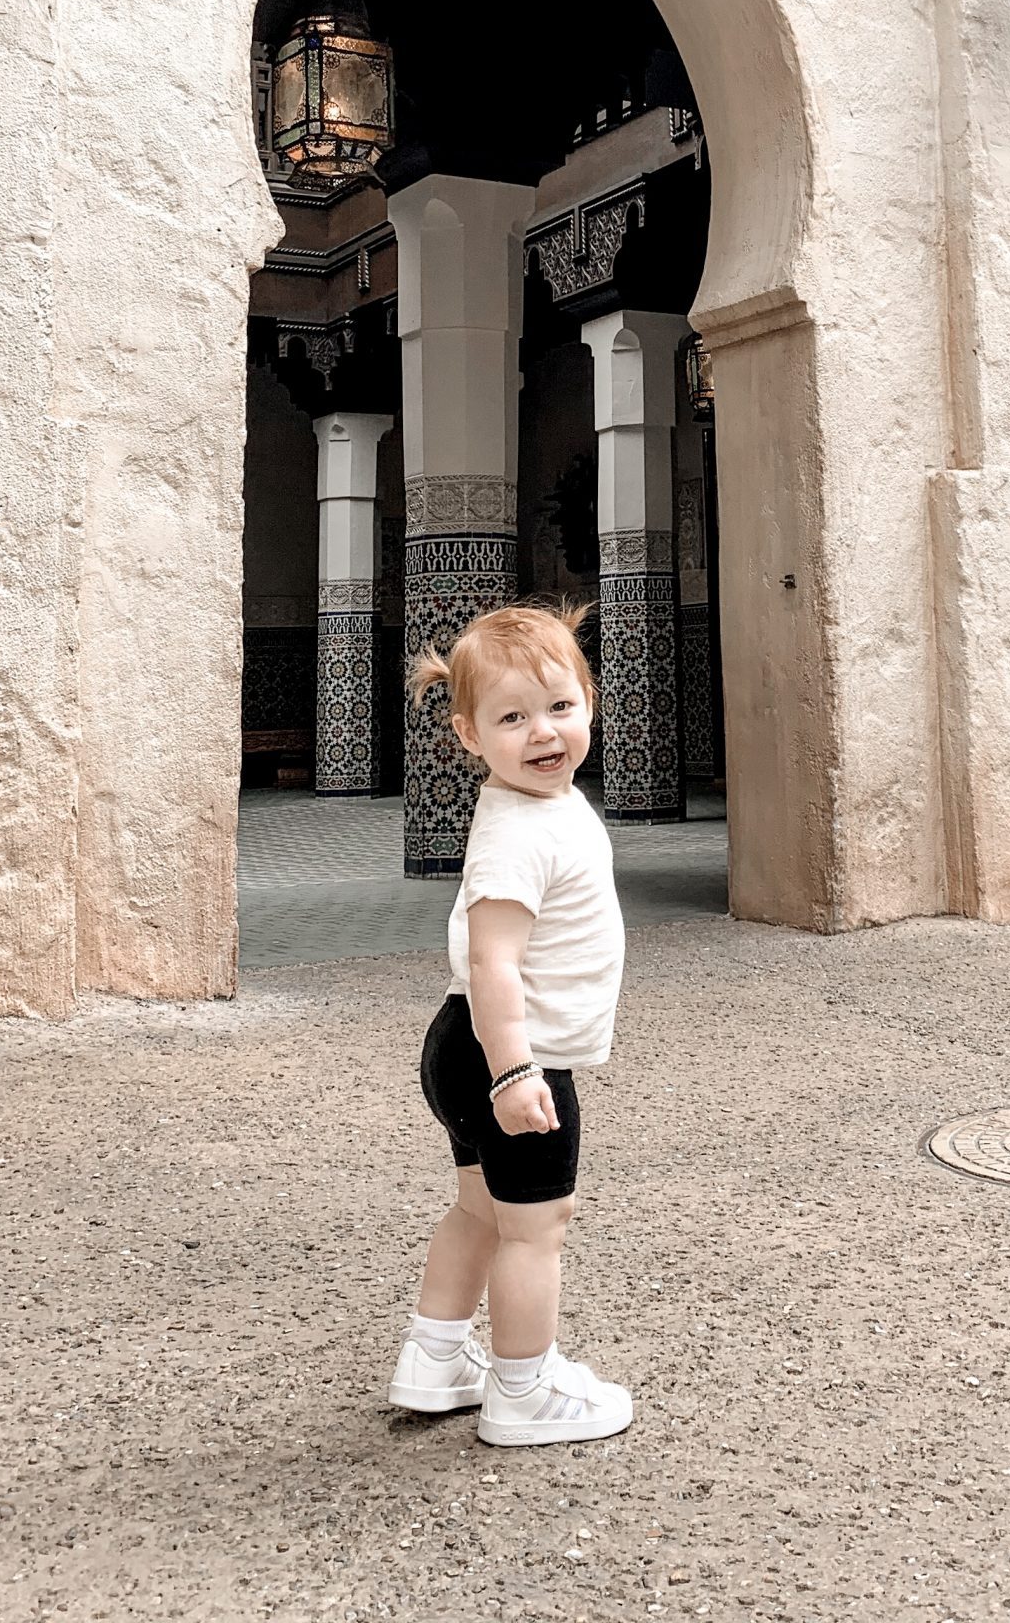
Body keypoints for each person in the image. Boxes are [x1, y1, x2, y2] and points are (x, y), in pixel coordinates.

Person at [388, 601, 633, 1447]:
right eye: (512, 717)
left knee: (481, 1213)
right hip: (507, 1055)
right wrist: (516, 1071)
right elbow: (495, 962)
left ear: (590, 702)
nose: (543, 733)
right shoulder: (517, 834)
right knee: (536, 1229)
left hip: (470, 1047)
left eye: (560, 707)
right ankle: (524, 1391)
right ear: (468, 734)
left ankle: (435, 1360)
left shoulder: (543, 807)